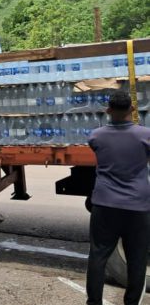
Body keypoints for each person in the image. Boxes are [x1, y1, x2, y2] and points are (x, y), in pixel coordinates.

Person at [86, 90, 150, 305]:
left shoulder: (96, 136)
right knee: (137, 259)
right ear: (132, 110)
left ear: (108, 110)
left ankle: (93, 302)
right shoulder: (145, 135)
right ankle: (131, 302)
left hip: (105, 204)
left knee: (98, 254)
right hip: (138, 206)